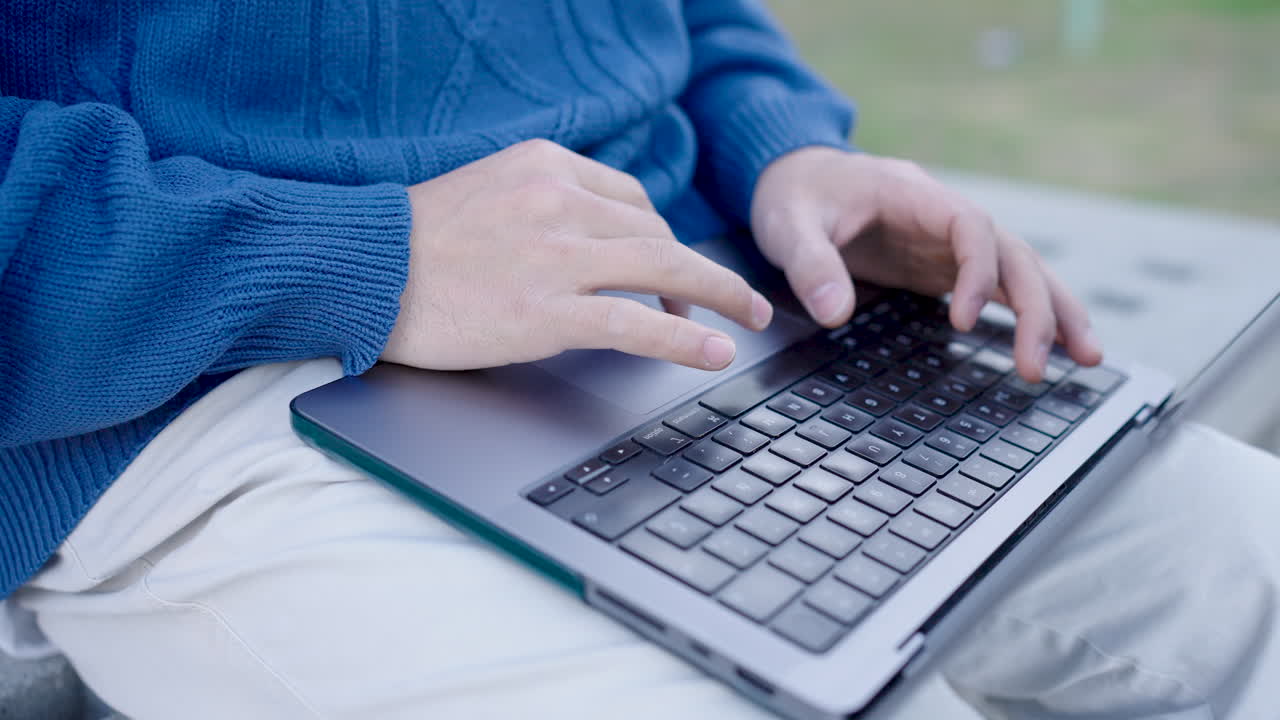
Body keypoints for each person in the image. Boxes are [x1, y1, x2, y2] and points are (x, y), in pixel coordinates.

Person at [10, 0, 1236, 717]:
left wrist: (777, 148)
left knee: (1251, 569)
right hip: (194, 374)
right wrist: (360, 257)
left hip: (689, 279)